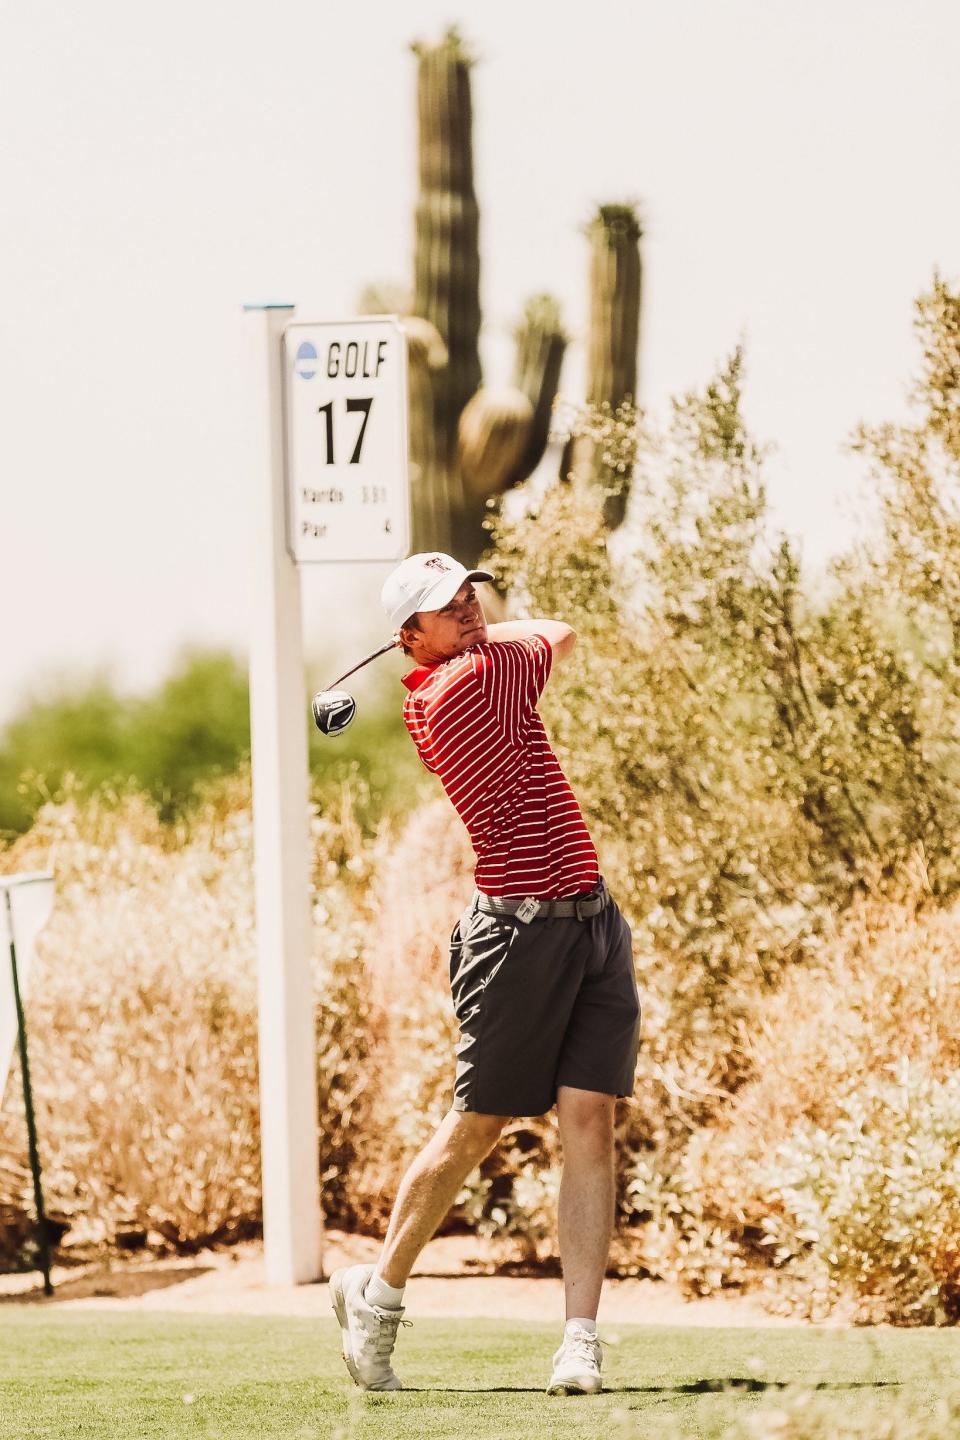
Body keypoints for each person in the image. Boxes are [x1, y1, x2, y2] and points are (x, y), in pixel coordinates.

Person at [329, 551, 641, 1396]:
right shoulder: (467, 684)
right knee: (478, 1125)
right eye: (445, 606)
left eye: (470, 595)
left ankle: (579, 1343)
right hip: (519, 936)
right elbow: (561, 632)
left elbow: (536, 638)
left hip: (592, 921)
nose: (469, 611)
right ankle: (378, 1296)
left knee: (590, 1124)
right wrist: (481, 636)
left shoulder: (467, 665)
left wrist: (461, 630)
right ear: (411, 639)